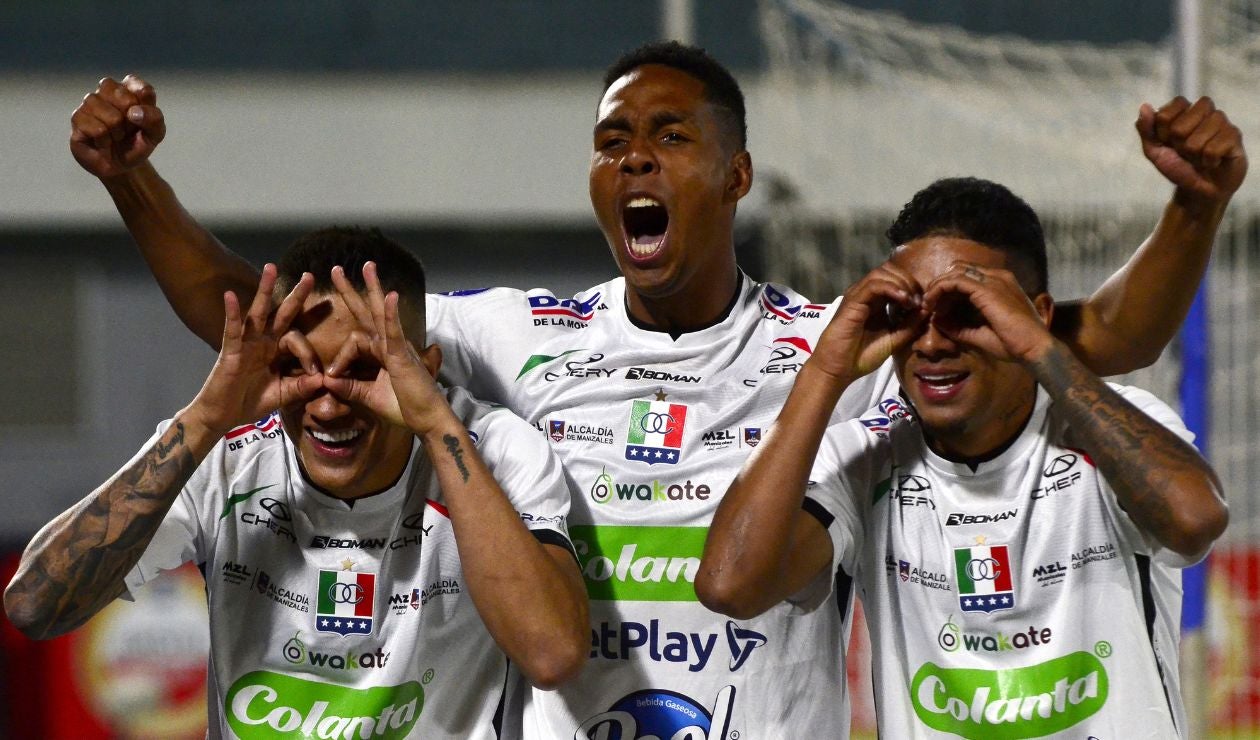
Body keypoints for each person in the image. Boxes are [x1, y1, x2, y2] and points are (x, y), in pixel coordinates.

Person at [66, 41, 1244, 737]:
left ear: (736, 173)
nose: (632, 152)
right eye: (612, 137)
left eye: (669, 135)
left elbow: (1089, 335)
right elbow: (269, 322)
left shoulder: (835, 343)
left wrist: (1193, 211)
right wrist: (135, 185)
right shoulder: (513, 335)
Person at [4, 228, 589, 739]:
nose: (328, 406)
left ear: (425, 370)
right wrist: (205, 418)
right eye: (297, 369)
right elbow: (33, 604)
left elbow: (551, 654)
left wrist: (436, 425)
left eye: (363, 370)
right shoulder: (227, 454)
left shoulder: (492, 446)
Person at [698, 177, 1229, 737]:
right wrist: (825, 372)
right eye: (907, 315)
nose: (932, 344)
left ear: (1033, 314)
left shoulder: (1111, 428)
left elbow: (1194, 521)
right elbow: (730, 585)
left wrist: (1040, 349)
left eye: (965, 312)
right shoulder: (863, 459)